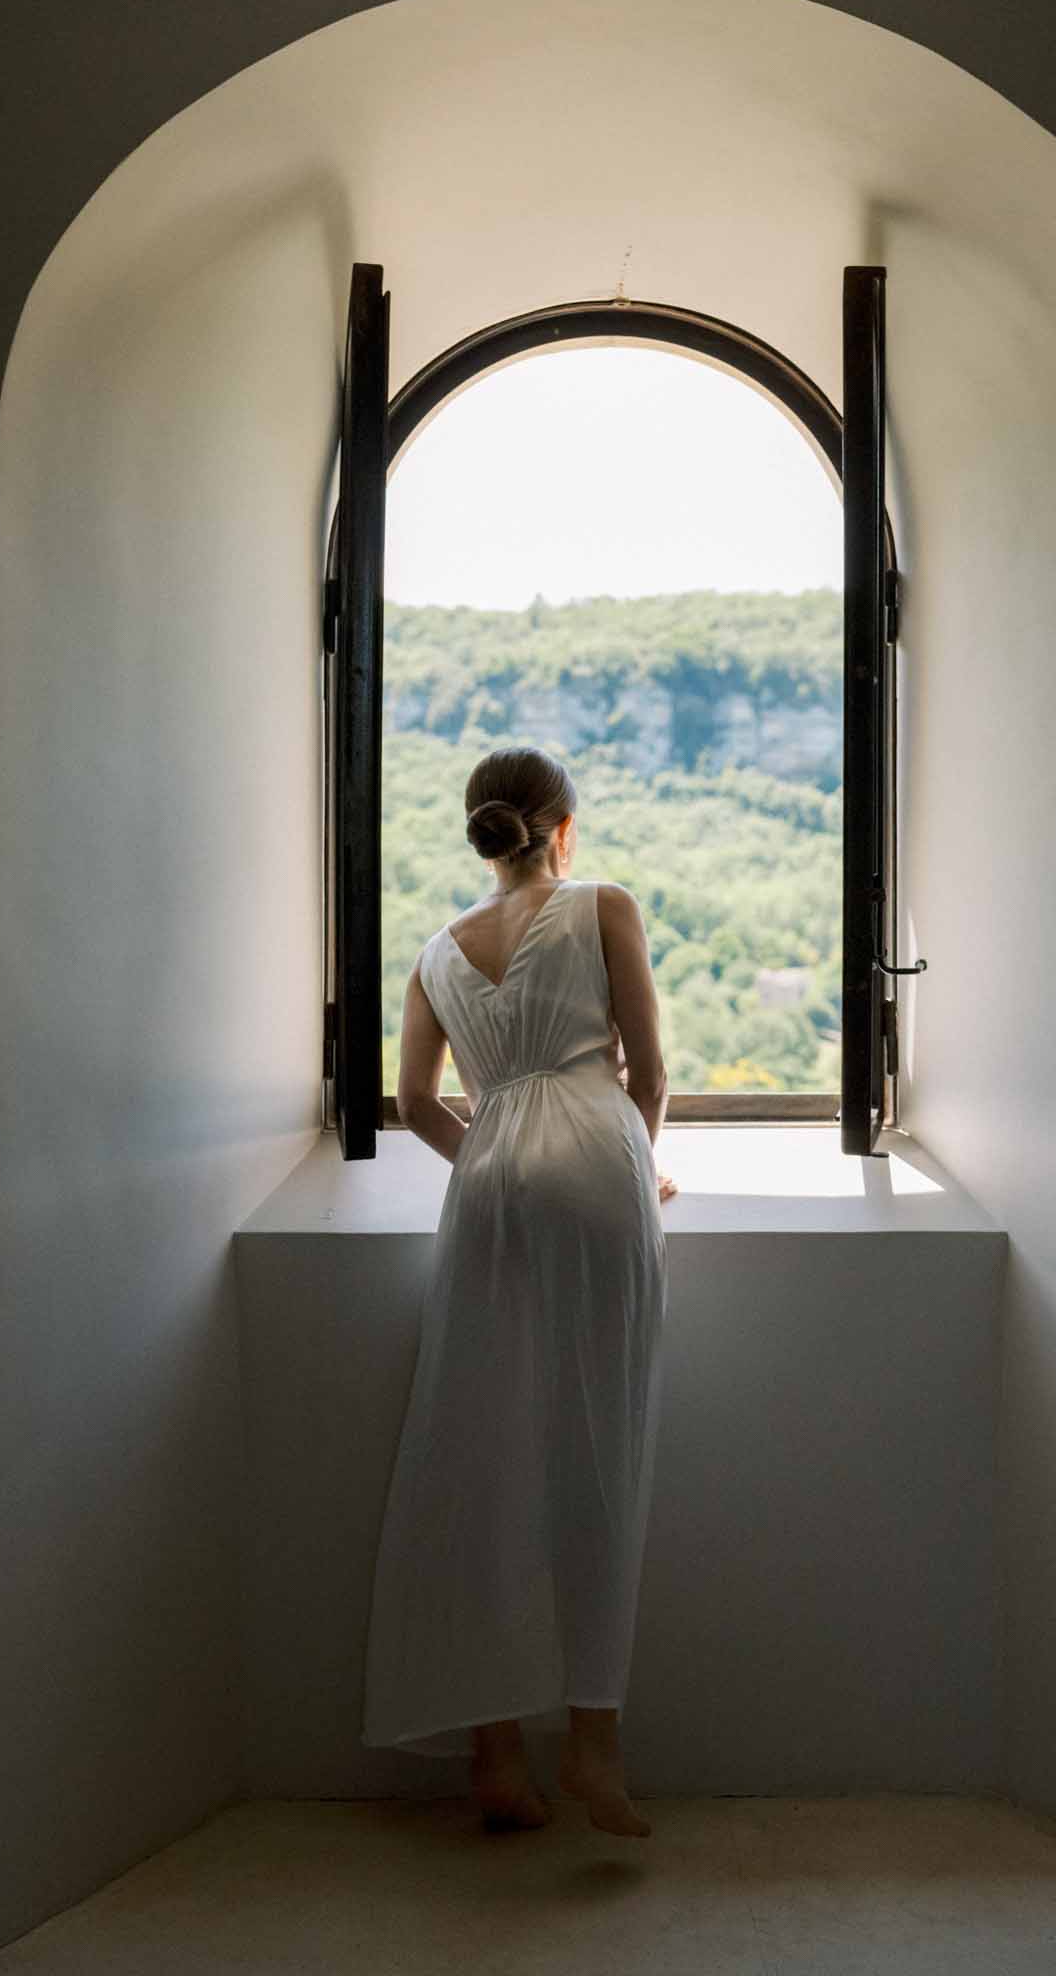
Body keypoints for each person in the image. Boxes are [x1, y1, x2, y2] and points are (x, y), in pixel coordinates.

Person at [361, 746, 676, 1840]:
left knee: (481, 1450)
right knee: (597, 1447)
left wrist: (502, 1149)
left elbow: (410, 1103)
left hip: (489, 1181)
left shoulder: (436, 952)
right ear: (563, 826)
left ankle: (496, 1752)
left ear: (482, 829)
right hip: (595, 1165)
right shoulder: (603, 904)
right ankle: (593, 1740)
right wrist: (636, 1164)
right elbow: (649, 1073)